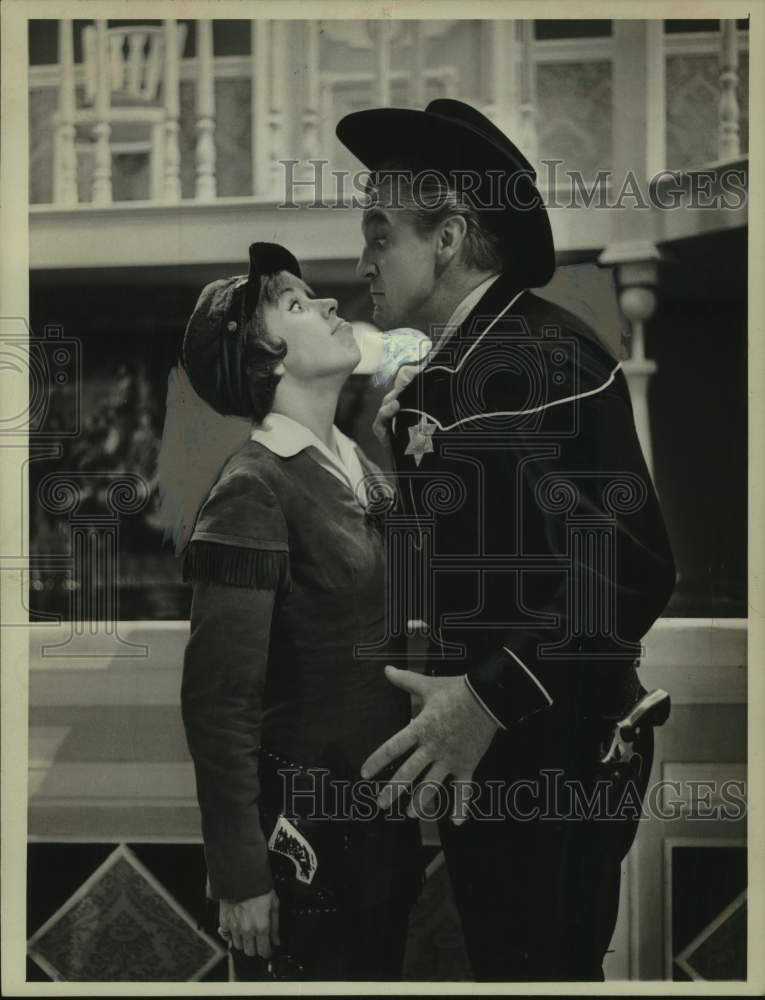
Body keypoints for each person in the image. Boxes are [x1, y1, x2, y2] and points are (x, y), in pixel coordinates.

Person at [336, 100, 676, 981]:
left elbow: (629, 573)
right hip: (498, 774)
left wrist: (484, 699)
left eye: (380, 234)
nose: (359, 259)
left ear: (446, 237)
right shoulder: (459, 372)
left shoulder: (533, 362)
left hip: (551, 765)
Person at [171, 242, 422, 981]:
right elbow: (218, 704)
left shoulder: (360, 467)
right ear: (265, 356)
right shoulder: (253, 486)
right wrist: (240, 873)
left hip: (382, 827)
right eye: (294, 302)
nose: (327, 305)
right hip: (302, 837)